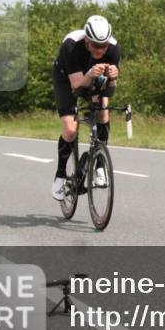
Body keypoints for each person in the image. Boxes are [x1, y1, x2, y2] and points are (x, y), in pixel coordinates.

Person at [50, 15, 121, 200]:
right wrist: (89, 75)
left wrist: (112, 78)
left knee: (103, 113)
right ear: (87, 40)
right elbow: (77, 88)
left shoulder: (114, 49)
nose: (100, 50)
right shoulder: (71, 45)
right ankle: (60, 174)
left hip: (92, 78)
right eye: (96, 46)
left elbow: (109, 92)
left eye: (103, 46)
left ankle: (99, 165)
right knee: (70, 129)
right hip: (67, 79)